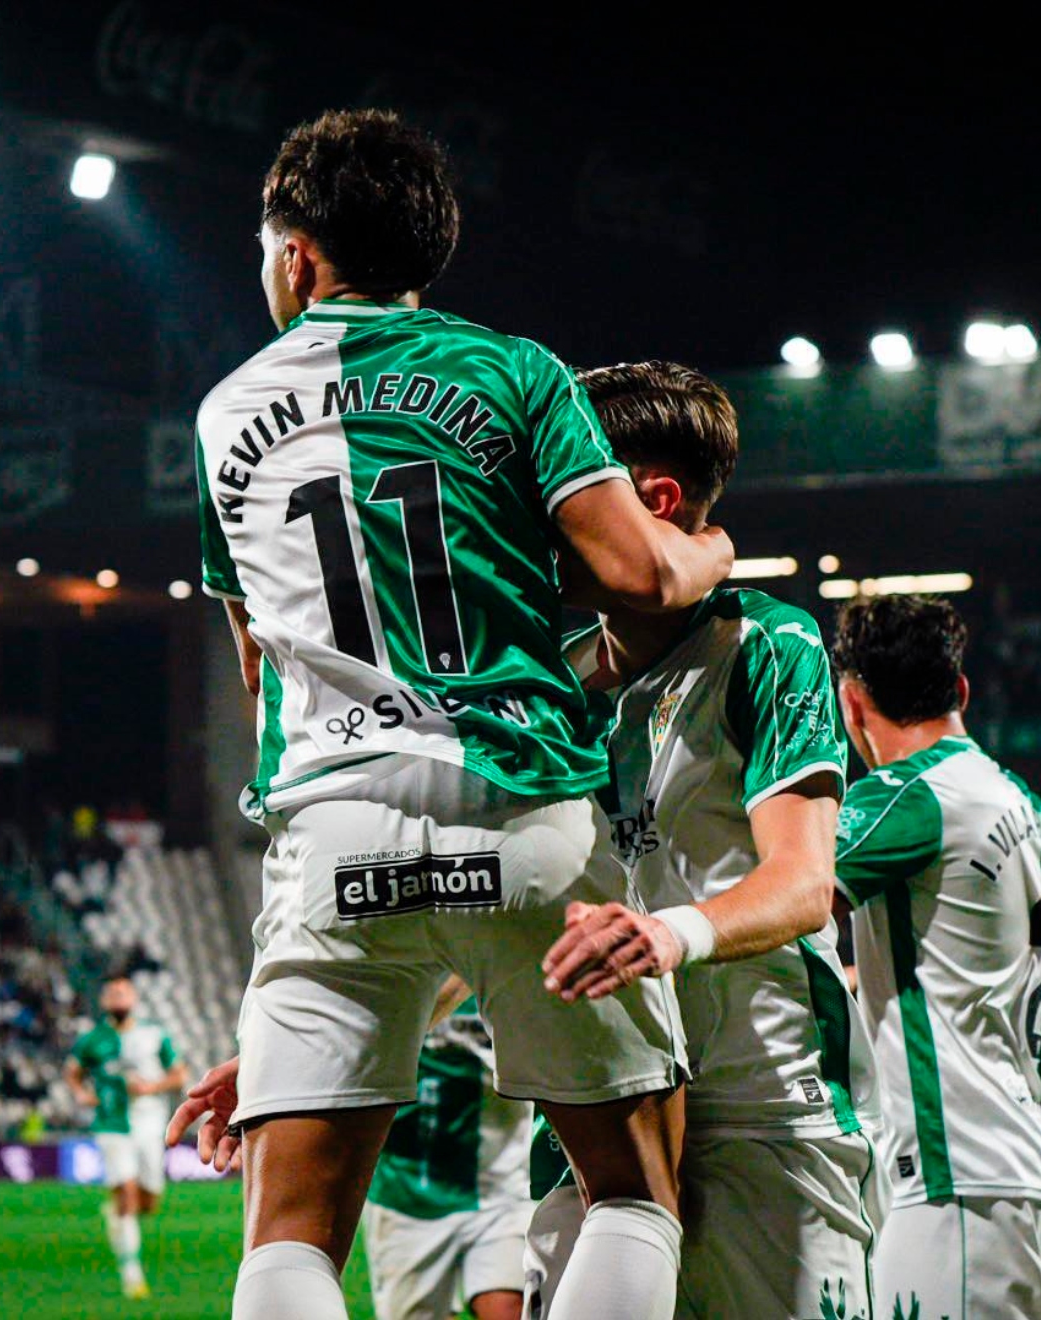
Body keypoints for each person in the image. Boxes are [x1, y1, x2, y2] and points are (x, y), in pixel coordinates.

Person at [182, 109, 733, 1320]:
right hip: (523, 818)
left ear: (298, 255)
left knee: (289, 1241)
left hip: (328, 836)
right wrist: (711, 552)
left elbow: (259, 669)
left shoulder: (225, 415)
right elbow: (640, 577)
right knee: (632, 1193)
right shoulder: (513, 371)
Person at [532, 362, 883, 1319]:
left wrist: (667, 935)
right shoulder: (551, 687)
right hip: (601, 1100)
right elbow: (512, 913)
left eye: (564, 483)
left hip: (759, 1098)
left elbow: (805, 884)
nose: (540, 510)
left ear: (654, 499)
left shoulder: (767, 646)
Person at [829, 595, 1041, 1320]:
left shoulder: (908, 798)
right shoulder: (1024, 805)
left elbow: (786, 895)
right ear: (961, 690)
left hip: (955, 1169)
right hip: (1012, 1158)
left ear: (852, 702)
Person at [363, 1002, 532, 1320]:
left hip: (502, 1185)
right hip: (407, 1196)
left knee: (510, 1309)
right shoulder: (396, 969)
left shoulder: (507, 963)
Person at [67, 974, 190, 1299]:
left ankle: (117, 1215)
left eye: (123, 993)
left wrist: (152, 1087)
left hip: (150, 1122)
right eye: (112, 994)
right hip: (112, 1124)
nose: (118, 998)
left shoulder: (153, 1034)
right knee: (126, 1194)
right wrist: (80, 1094)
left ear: (133, 998)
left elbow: (179, 1074)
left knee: (147, 1202)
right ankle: (132, 1274)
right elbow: (73, 1071)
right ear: (105, 1002)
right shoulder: (92, 1039)